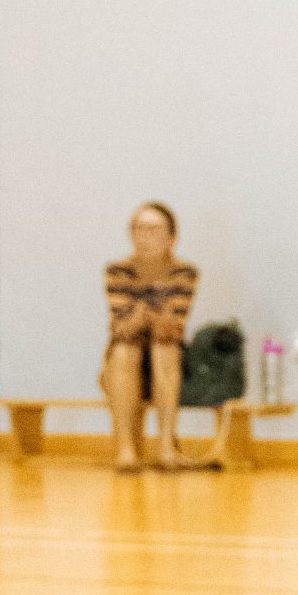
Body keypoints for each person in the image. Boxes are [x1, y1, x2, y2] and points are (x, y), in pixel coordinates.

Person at [100, 202, 199, 471]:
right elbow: (122, 328)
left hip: (168, 357)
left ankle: (167, 446)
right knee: (125, 350)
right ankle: (126, 449)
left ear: (171, 237)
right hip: (124, 356)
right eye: (139, 229)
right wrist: (154, 310)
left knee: (164, 348)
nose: (145, 236)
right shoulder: (118, 271)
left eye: (153, 229)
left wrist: (142, 311)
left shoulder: (184, 272)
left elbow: (171, 327)